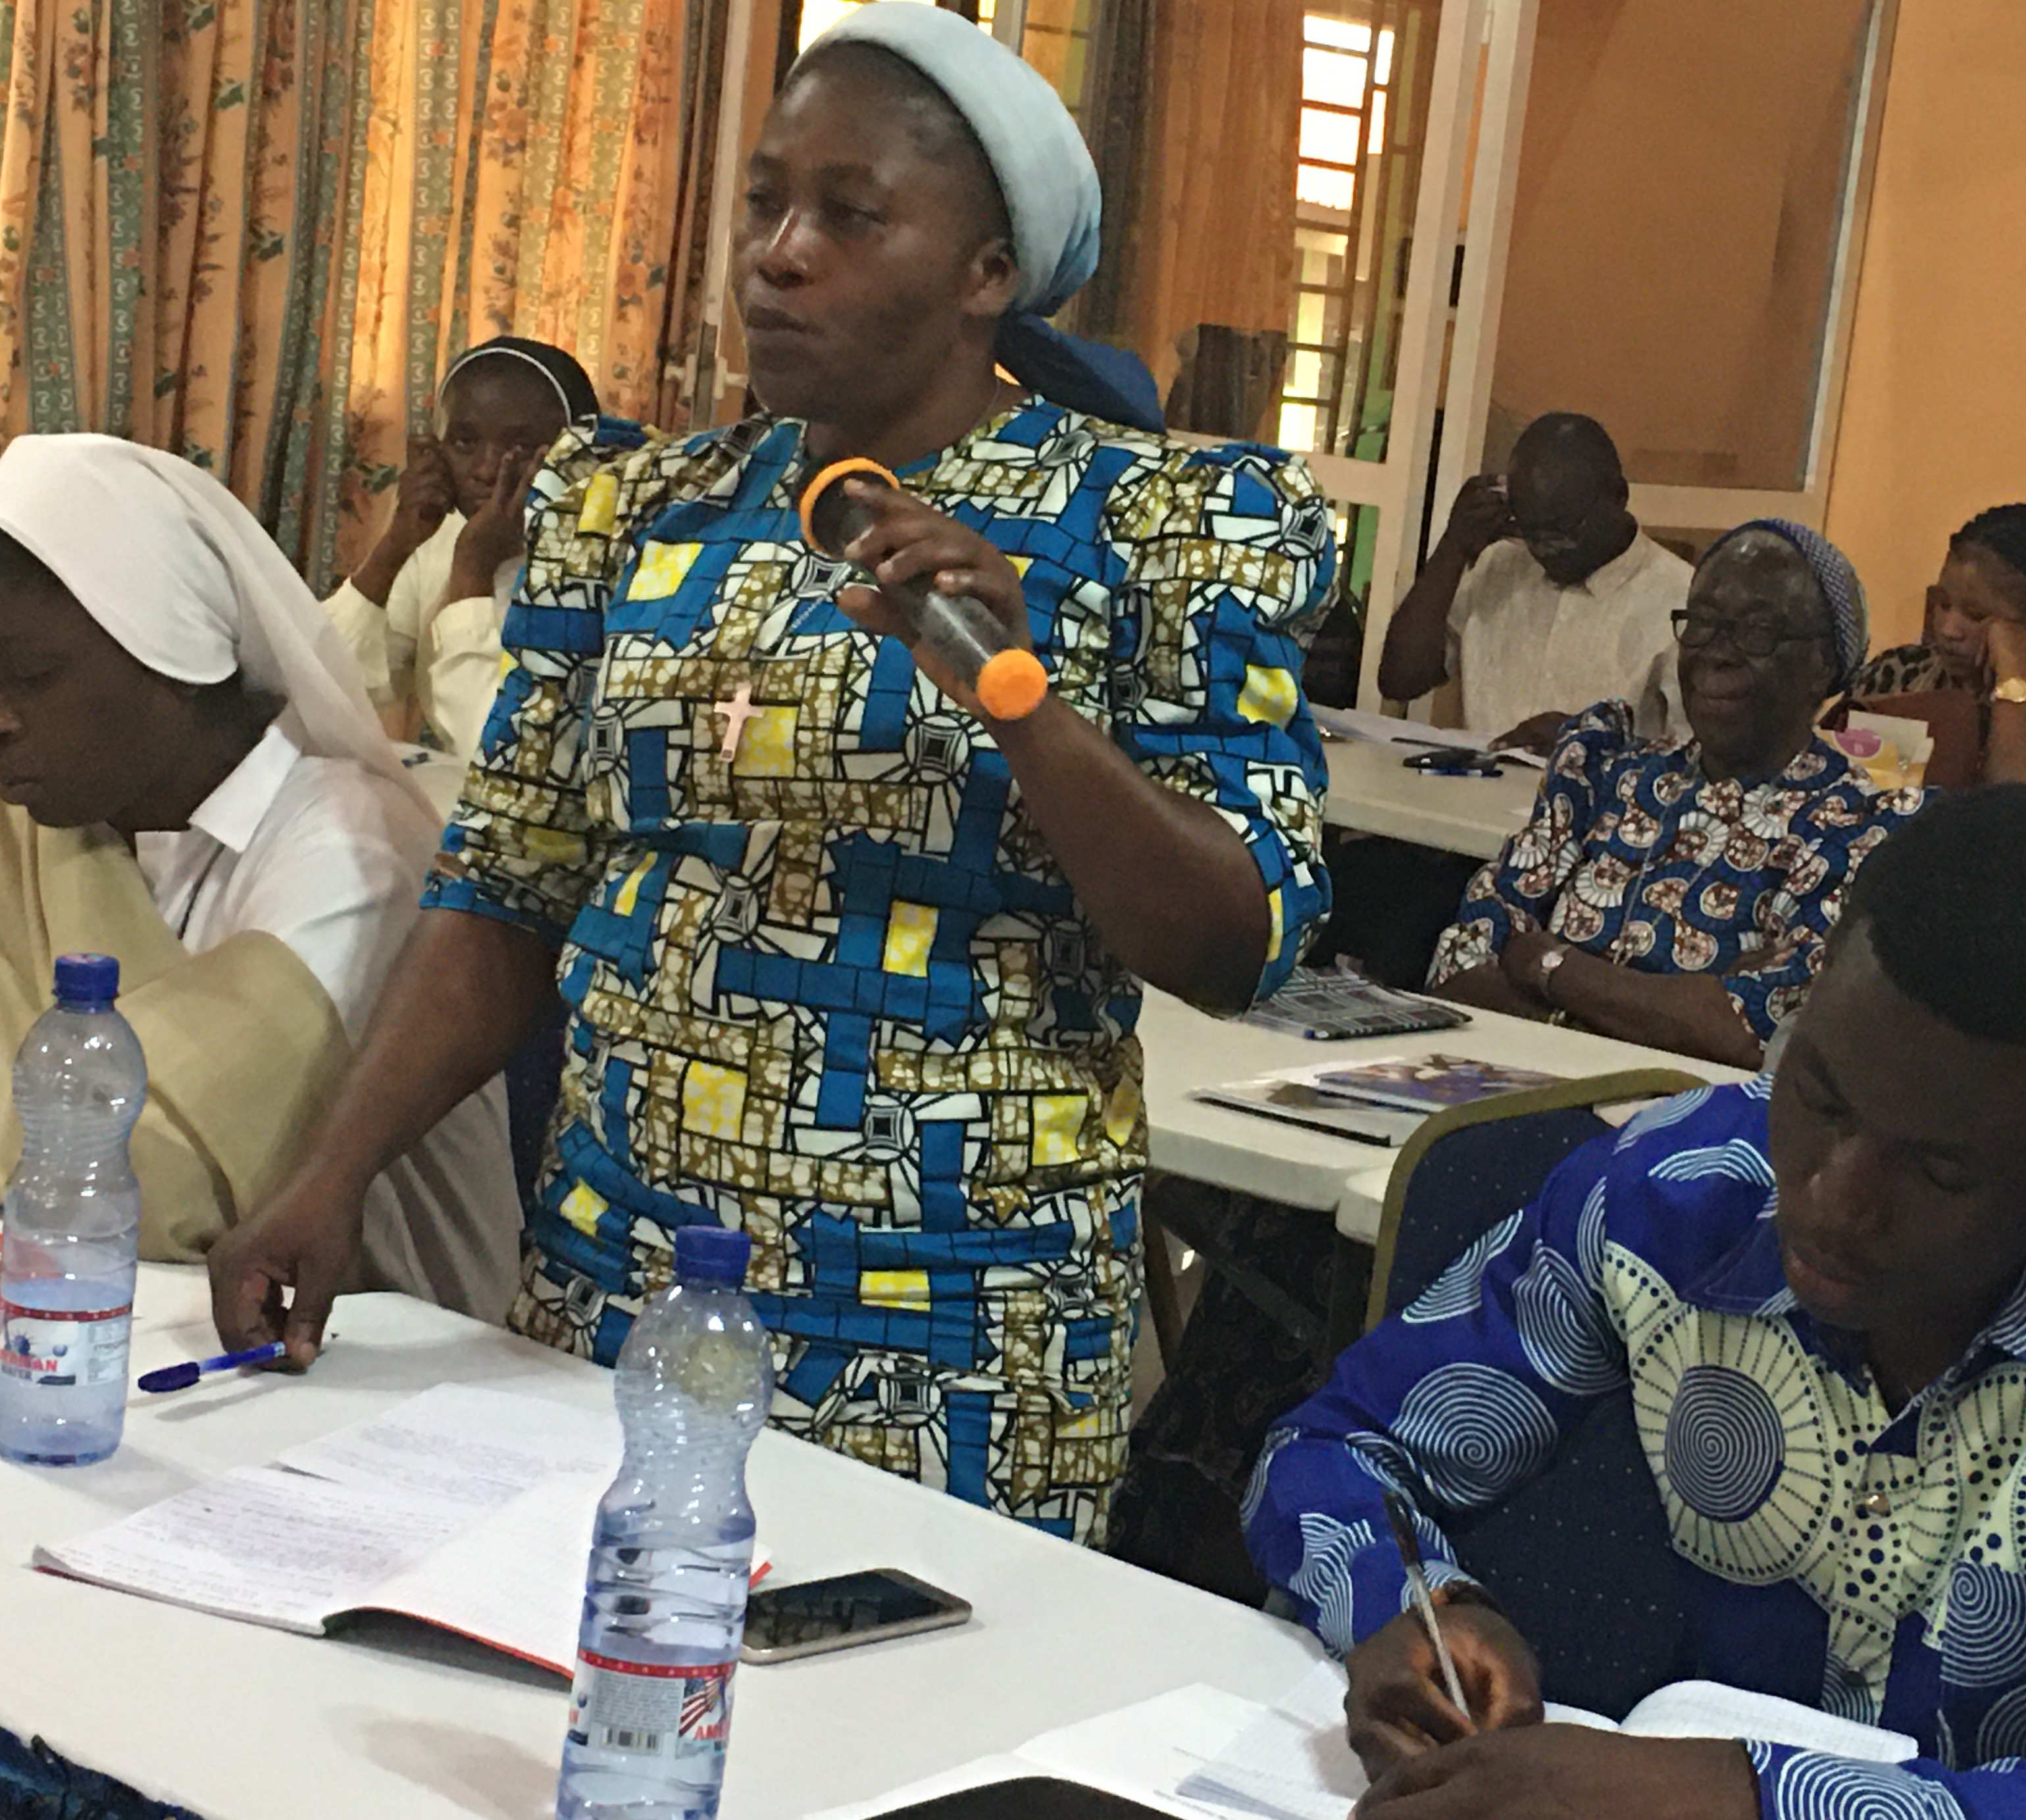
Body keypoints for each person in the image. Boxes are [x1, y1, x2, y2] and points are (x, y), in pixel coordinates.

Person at [203, 7, 1333, 1543]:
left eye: (849, 216)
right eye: (762, 203)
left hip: (952, 1333)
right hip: (619, 1268)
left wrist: (1017, 697)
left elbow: (1235, 937)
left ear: (985, 276)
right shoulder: (639, 507)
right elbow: (508, 888)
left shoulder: (1157, 524)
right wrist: (331, 1169)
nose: (778, 255)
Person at [1247, 786, 2026, 1820]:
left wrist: (1761, 1802)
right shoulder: (1684, 1191)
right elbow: (1342, 1448)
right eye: (1821, 1095)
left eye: (1939, 1171)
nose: (1836, 1200)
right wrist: (1422, 1606)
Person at [0, 435, 519, 1318]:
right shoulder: (45, 823)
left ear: (175, 647)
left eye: (31, 675)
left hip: (377, 1367)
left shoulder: (357, 847)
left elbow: (150, 1172)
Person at [1425, 520, 1924, 1069]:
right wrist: (1666, 1004)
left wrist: (1546, 964)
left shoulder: (1852, 825)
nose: (1717, 653)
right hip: (1499, 1087)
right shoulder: (1604, 775)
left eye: (1756, 632)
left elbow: (1752, 1033)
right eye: (1702, 625)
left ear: (1822, 666)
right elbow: (1460, 967)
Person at [324, 337, 601, 757]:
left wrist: (474, 570)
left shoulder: (602, 560)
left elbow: (506, 750)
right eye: (465, 442)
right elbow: (325, 686)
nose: (488, 469)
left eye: (521, 447)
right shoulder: (441, 535)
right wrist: (397, 545)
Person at [1377, 415, 1689, 753]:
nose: (1546, 550)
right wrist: (1453, 548)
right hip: (1477, 801)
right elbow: (1400, 679)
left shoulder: (1680, 595)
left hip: (1605, 804)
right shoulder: (1500, 564)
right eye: (1532, 531)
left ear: (1618, 497)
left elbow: (1698, 762)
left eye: (1565, 531)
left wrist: (1589, 746)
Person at [1852, 503, 2026, 802]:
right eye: (1943, 603)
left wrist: (2012, 679)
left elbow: (2021, 819)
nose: (1949, 629)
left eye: (1976, 615)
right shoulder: (1893, 676)